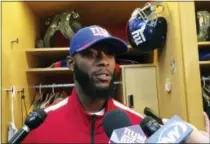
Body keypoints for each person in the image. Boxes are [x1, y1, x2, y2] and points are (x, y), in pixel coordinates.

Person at [22, 25, 143, 143]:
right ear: (71, 63)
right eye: (91, 54)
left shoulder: (137, 125)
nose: (104, 62)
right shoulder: (40, 127)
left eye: (109, 54)